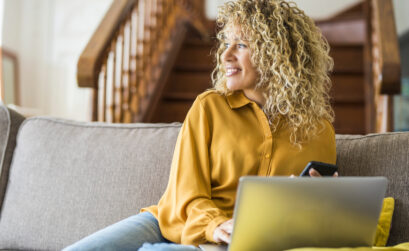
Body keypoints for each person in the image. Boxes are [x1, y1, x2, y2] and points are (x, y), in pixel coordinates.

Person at [64, 0, 337, 250]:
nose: (225, 55)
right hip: (170, 222)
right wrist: (216, 224)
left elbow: (310, 220)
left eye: (241, 45)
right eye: (226, 43)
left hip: (234, 242)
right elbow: (186, 194)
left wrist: (324, 199)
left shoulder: (318, 130)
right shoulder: (209, 107)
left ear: (276, 53)